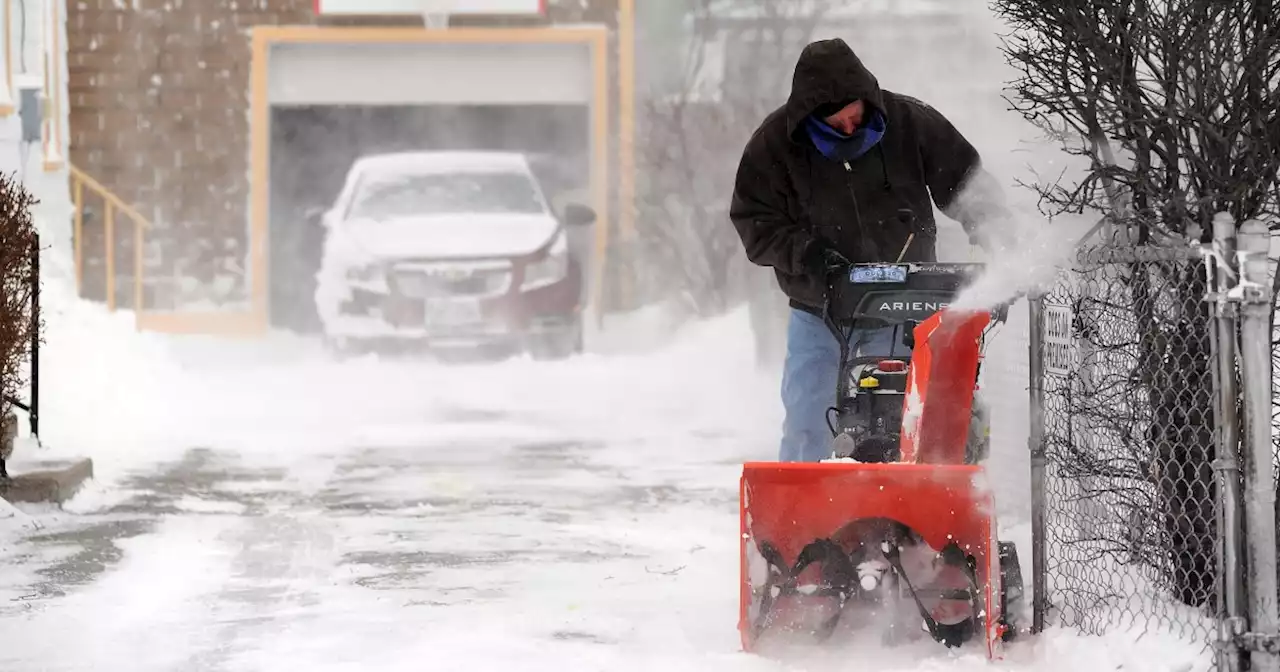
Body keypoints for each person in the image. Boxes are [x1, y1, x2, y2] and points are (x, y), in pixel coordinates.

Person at [729, 37, 1014, 463]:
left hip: (902, 306)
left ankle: (902, 521)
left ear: (869, 101)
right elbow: (755, 221)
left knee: (899, 421)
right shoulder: (774, 146)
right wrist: (809, 255)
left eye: (855, 117)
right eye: (836, 124)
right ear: (810, 119)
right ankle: (799, 518)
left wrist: (995, 230)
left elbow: (966, 183)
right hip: (818, 308)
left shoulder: (910, 123)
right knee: (810, 419)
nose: (849, 129)